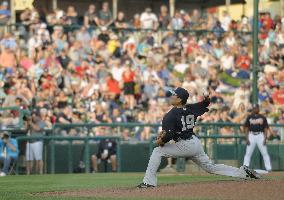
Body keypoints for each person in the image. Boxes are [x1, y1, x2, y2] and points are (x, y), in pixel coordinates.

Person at [137, 87, 260, 188]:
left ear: (179, 100)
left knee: (157, 151)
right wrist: (206, 100)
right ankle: (242, 172)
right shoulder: (191, 108)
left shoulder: (170, 115)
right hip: (195, 143)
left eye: (174, 95)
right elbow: (204, 105)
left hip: (184, 144)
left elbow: (168, 135)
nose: (171, 96)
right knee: (210, 167)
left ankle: (149, 182)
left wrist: (160, 141)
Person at [243, 104, 272, 171]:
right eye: (254, 108)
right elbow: (246, 128)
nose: (255, 109)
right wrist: (247, 138)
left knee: (264, 153)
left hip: (260, 135)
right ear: (252, 109)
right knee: (248, 153)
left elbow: (265, 128)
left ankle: (269, 168)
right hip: (251, 135)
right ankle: (245, 167)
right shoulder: (249, 117)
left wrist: (265, 138)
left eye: (256, 108)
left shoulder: (262, 117)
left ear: (258, 108)